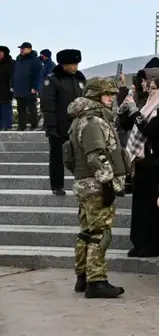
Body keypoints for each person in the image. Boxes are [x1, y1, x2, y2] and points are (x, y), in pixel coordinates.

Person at [65, 77, 130, 298]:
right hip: (96, 185)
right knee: (100, 234)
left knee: (87, 232)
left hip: (86, 184)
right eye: (107, 95)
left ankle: (82, 277)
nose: (110, 99)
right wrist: (108, 183)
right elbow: (96, 155)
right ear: (94, 96)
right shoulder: (92, 121)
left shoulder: (83, 119)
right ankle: (97, 280)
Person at [118, 68, 159, 257]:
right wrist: (126, 106)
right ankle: (139, 242)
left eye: (153, 87)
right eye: (148, 87)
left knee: (152, 208)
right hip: (141, 163)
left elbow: (150, 130)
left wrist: (135, 110)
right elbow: (128, 124)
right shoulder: (148, 106)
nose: (149, 90)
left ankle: (152, 245)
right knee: (139, 206)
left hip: (156, 164)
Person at [40, 49, 86, 196]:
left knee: (81, 157)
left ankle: (83, 183)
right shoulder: (53, 79)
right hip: (59, 126)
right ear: (63, 64)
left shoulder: (80, 78)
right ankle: (57, 185)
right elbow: (48, 105)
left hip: (78, 125)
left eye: (76, 64)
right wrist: (51, 126)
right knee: (57, 158)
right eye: (72, 64)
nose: (75, 67)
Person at [12, 42, 43, 131]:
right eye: (20, 48)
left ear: (29, 49)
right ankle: (22, 126)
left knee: (31, 108)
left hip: (29, 88)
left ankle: (34, 125)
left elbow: (38, 75)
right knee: (20, 109)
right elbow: (14, 73)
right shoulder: (18, 59)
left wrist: (35, 87)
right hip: (18, 88)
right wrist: (13, 85)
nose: (21, 50)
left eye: (23, 48)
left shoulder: (35, 60)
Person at [0, 46, 12, 130]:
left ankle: (7, 125)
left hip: (6, 90)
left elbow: (12, 77)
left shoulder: (11, 63)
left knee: (5, 107)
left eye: (0, 52)